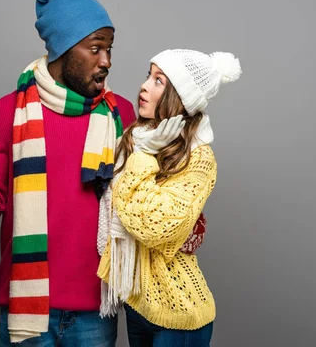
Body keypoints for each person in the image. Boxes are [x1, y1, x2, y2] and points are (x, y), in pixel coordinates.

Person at [0, 0, 137, 346]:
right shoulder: (6, 113)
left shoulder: (121, 116)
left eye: (109, 49)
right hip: (25, 311)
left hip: (96, 314)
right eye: (96, 48)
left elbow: (141, 202)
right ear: (64, 49)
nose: (107, 61)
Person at [97, 48, 242, 346]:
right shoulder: (134, 138)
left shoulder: (198, 158)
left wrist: (144, 156)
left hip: (178, 317)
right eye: (148, 76)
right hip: (138, 308)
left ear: (180, 97)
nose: (144, 86)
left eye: (158, 81)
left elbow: (157, 227)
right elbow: (115, 198)